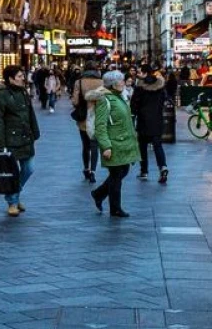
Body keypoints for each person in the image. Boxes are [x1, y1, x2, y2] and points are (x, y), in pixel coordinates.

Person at [0, 65, 40, 217]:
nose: (22, 78)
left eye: (22, 76)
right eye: (19, 76)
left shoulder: (24, 92)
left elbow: (30, 113)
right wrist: (1, 145)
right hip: (10, 138)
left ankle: (14, 194)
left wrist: (35, 131)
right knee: (12, 171)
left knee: (29, 168)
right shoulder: (1, 95)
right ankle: (12, 202)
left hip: (26, 136)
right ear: (10, 78)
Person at [90, 70, 136, 218]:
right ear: (112, 84)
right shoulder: (105, 100)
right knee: (116, 175)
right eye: (120, 81)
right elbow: (100, 125)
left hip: (123, 142)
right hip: (113, 143)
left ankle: (99, 193)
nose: (123, 82)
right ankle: (115, 208)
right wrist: (106, 146)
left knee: (124, 171)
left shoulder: (120, 97)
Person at [131, 64, 168, 184]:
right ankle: (162, 167)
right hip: (157, 119)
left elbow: (134, 105)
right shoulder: (160, 85)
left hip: (143, 120)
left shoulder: (140, 87)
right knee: (158, 145)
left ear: (145, 73)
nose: (139, 74)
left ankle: (144, 171)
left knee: (142, 147)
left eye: (140, 72)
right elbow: (165, 99)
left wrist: (134, 113)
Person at [71, 61, 103, 183]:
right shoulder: (102, 82)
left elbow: (75, 101)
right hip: (97, 115)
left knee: (86, 145)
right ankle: (93, 171)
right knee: (94, 145)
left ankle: (86, 168)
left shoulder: (79, 82)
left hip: (84, 117)